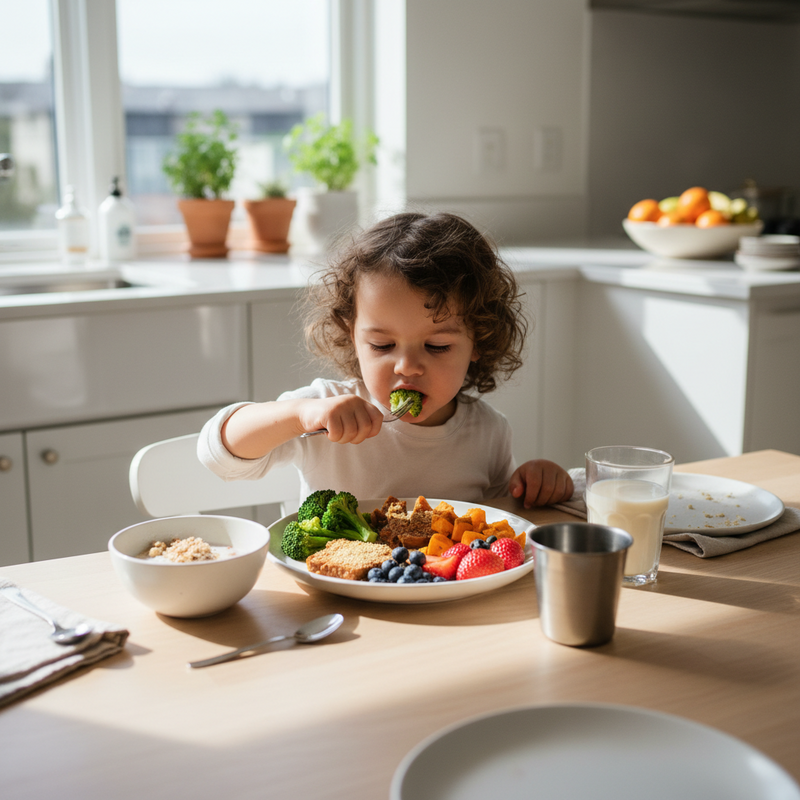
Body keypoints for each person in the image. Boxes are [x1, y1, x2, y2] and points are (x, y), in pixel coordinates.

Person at [198, 211, 573, 508]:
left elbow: (495, 520)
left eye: (437, 346)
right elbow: (217, 452)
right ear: (351, 333)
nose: (407, 367)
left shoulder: (488, 432)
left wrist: (535, 483)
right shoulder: (325, 412)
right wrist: (300, 416)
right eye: (382, 346)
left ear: (479, 339)